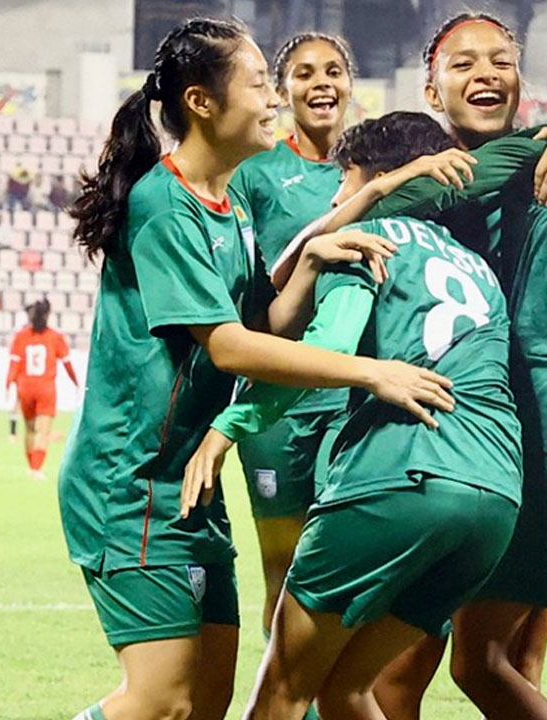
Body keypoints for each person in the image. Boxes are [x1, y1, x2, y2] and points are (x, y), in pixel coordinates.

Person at [272, 13, 547, 719]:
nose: (486, 74)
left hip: (519, 440)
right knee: (477, 667)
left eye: (501, 60)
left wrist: (354, 211)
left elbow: (351, 230)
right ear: (431, 90)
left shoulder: (539, 156)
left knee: (453, 666)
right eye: (464, 63)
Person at [58, 18, 453, 720]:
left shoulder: (231, 200)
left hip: (189, 482)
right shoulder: (163, 203)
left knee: (208, 703)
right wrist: (370, 373)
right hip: (132, 481)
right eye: (260, 84)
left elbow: (265, 320)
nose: (274, 100)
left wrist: (312, 259)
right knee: (163, 702)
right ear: (202, 102)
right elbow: (229, 346)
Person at [184, 110, 522, 720]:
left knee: (283, 692)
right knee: (346, 690)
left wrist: (227, 428)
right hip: (495, 498)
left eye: (344, 180)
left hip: (402, 477)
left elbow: (329, 351)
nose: (337, 198)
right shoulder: (478, 268)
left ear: (376, 176)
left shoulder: (366, 243)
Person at [227, 31, 359, 656]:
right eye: (304, 74)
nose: (321, 83)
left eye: (333, 70)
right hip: (274, 401)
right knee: (281, 572)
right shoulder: (256, 173)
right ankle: (288, 698)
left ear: (350, 85)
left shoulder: (373, 170)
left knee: (344, 568)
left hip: (351, 396)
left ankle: (336, 693)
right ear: (283, 92)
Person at [6, 299, 77, 479]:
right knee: (42, 431)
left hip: (25, 387)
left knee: (29, 429)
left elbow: (14, 364)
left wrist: (8, 384)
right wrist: (76, 382)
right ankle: (36, 469)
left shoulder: (21, 336)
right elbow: (67, 363)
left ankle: (31, 466)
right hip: (45, 388)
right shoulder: (55, 336)